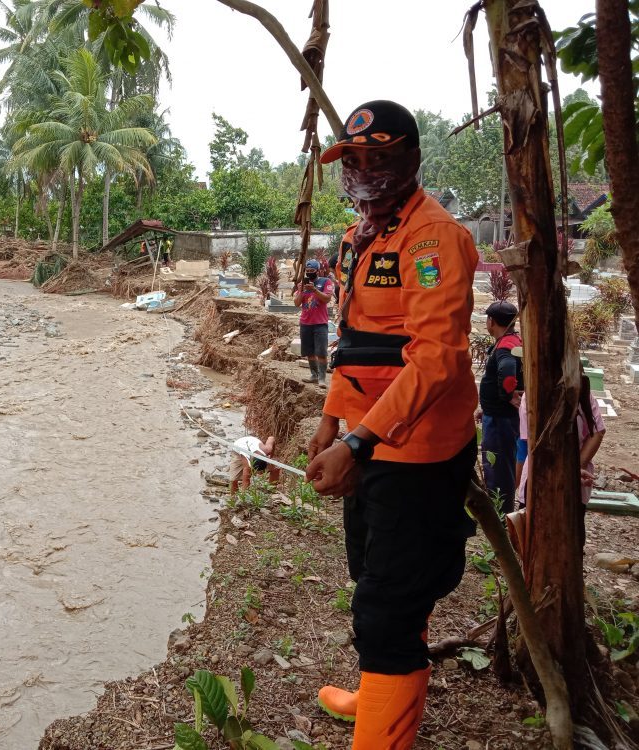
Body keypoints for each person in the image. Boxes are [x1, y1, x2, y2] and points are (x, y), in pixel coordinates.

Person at [303, 100, 479, 749]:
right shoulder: (358, 238)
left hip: (420, 452)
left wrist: (357, 439)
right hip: (366, 438)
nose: (363, 172)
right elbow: (354, 343)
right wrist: (331, 420)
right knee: (376, 576)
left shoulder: (434, 240)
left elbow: (437, 357)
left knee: (387, 604)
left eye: (379, 158)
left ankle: (384, 724)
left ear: (410, 159)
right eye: (353, 160)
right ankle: (383, 688)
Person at [516, 363, 606, 508]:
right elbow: (534, 443)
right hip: (540, 477)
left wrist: (575, 469)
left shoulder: (582, 394)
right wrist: (571, 471)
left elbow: (597, 431)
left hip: (572, 479)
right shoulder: (532, 396)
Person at [479, 301, 523, 513]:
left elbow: (507, 370)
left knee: (498, 467)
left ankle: (500, 515)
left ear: (492, 321)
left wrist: (507, 395)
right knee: (500, 464)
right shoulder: (509, 341)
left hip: (500, 420)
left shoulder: (506, 346)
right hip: (496, 415)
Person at [293, 259, 335, 388]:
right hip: (305, 323)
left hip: (320, 323)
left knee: (321, 351)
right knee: (309, 351)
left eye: (312, 271)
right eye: (308, 271)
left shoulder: (325, 282)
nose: (310, 273)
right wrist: (301, 291)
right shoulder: (303, 285)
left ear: (318, 271)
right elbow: (297, 303)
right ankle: (314, 375)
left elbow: (327, 298)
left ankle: (322, 378)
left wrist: (315, 290)